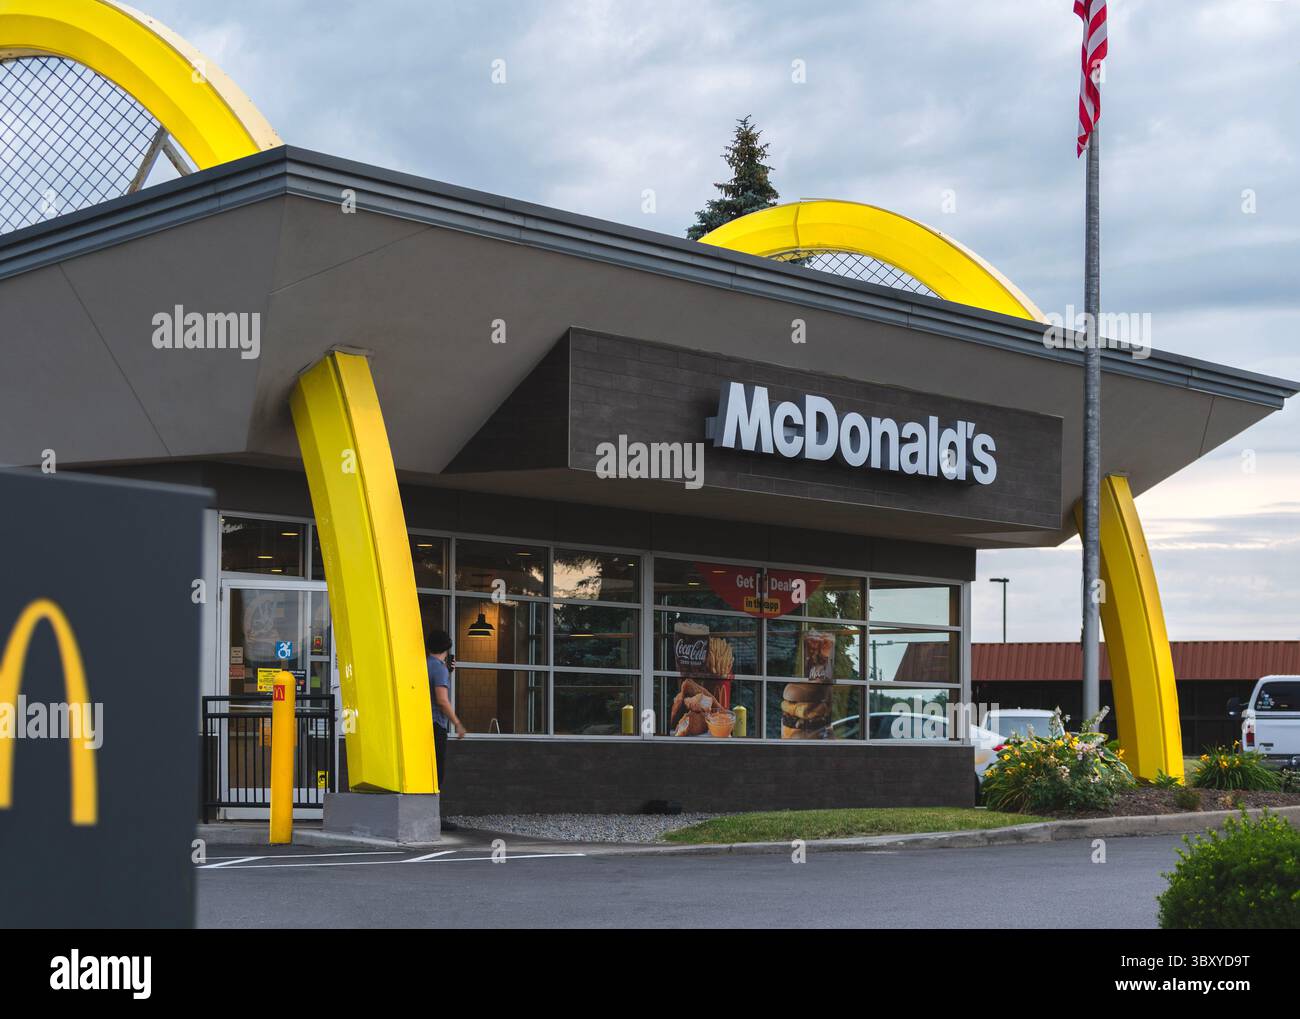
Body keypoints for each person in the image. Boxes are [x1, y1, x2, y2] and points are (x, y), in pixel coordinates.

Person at [426, 630, 466, 814]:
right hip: (436, 726)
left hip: (423, 725)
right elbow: (442, 701)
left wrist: (446, 671)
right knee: (437, 773)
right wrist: (457, 723)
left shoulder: (425, 664)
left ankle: (427, 814)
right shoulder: (439, 669)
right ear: (446, 648)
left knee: (428, 771)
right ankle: (434, 816)